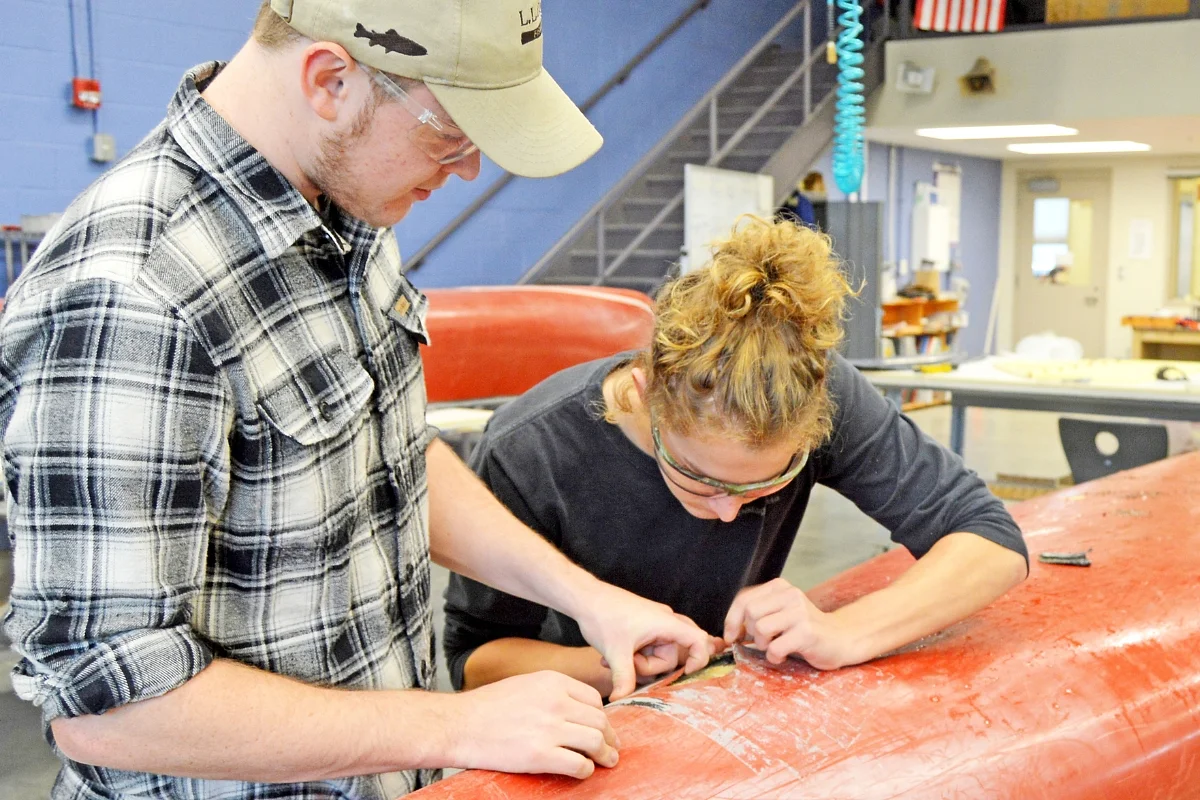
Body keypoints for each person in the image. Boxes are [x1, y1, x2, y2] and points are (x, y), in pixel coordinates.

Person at [0, 2, 716, 798]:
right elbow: (108, 704)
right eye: (450, 138)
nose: (469, 169)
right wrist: (455, 724)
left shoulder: (346, 205)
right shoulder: (133, 297)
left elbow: (389, 455)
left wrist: (589, 601)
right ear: (331, 79)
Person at [444, 216, 1029, 698]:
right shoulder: (531, 448)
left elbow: (989, 537)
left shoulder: (812, 391)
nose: (731, 515)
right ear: (647, 392)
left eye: (767, 485)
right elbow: (475, 661)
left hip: (732, 705)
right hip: (587, 717)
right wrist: (614, 666)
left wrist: (845, 631)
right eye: (699, 480)